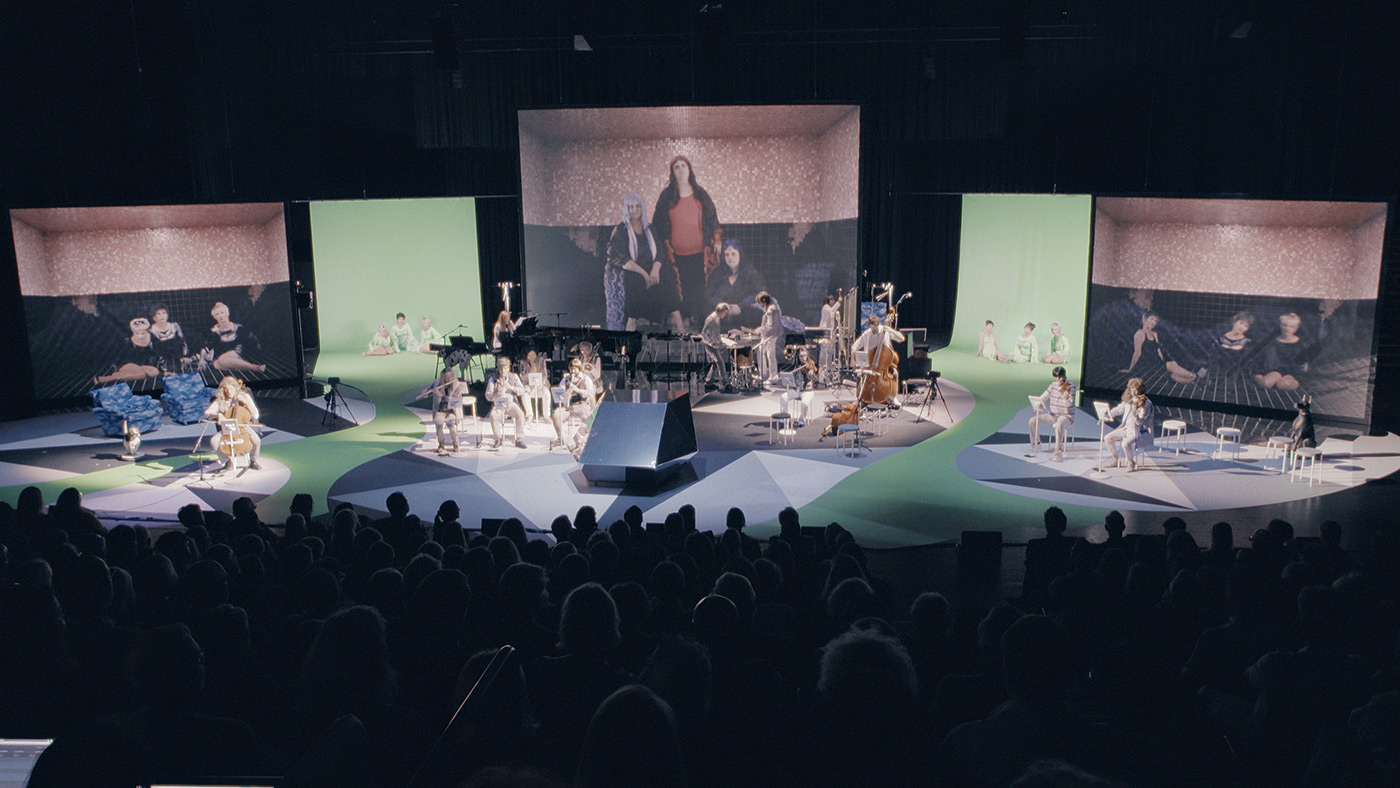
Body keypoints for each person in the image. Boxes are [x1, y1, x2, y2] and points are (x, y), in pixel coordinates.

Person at [651, 155, 721, 328]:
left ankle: (701, 325)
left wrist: (717, 240)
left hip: (701, 253)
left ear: (689, 169)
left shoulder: (700, 194)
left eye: (684, 165)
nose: (680, 169)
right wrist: (661, 247)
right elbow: (657, 224)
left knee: (699, 289)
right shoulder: (667, 196)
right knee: (680, 290)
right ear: (672, 172)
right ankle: (684, 322)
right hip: (675, 255)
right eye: (676, 167)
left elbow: (712, 218)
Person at [606, 192, 681, 332]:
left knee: (667, 278)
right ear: (626, 209)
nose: (634, 210)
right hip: (632, 270)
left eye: (638, 206)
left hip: (651, 269)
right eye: (631, 207)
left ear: (642, 208)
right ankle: (631, 324)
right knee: (635, 281)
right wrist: (645, 274)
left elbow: (660, 252)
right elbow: (623, 259)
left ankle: (679, 324)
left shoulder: (650, 228)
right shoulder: (620, 231)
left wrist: (655, 270)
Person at [705, 239, 765, 330]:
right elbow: (709, 294)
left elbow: (759, 294)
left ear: (740, 254)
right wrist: (720, 305)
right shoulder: (717, 274)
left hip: (747, 322)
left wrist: (741, 307)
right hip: (723, 322)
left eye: (733, 254)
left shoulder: (752, 274)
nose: (730, 257)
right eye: (727, 255)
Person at [1121, 311, 1196, 384]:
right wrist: (1130, 369)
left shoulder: (1154, 334)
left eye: (1155, 321)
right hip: (1149, 363)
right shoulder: (1140, 333)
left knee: (1174, 372)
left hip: (1158, 362)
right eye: (1151, 319)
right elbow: (1137, 352)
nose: (1153, 322)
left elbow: (1158, 350)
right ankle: (1193, 376)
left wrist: (1163, 362)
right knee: (1171, 365)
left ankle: (1192, 378)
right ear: (1145, 319)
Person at [204, 376, 262, 471]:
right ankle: (227, 459)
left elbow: (255, 414)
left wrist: (246, 403)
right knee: (214, 441)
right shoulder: (221, 400)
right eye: (226, 389)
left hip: (243, 427)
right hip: (227, 428)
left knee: (256, 440)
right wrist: (219, 414)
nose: (229, 392)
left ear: (235, 388)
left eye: (231, 389)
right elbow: (207, 412)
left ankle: (254, 460)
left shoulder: (244, 396)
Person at [1101, 377, 1153, 472]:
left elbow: (1140, 421)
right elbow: (1119, 409)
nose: (1133, 392)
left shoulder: (1146, 403)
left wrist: (1135, 413)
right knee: (1108, 438)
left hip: (1139, 430)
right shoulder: (1130, 400)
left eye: (1135, 390)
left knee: (1125, 443)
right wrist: (1107, 413)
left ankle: (1130, 463)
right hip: (1126, 428)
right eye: (1131, 390)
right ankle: (1115, 460)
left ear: (1140, 390)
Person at [93, 316, 161, 385]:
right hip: (126, 363)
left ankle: (134, 373)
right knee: (140, 373)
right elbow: (121, 358)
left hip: (142, 365)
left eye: (142, 333)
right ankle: (109, 378)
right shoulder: (127, 342)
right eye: (137, 333)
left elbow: (157, 354)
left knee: (154, 372)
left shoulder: (152, 339)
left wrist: (163, 370)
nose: (140, 336)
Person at [552, 358, 600, 456]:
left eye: (575, 368)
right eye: (571, 368)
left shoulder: (586, 379)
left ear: (579, 368)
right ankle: (560, 438)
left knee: (589, 419)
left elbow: (590, 393)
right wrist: (566, 393)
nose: (573, 371)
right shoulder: (566, 379)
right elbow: (560, 392)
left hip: (582, 405)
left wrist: (577, 390)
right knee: (556, 415)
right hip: (569, 406)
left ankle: (585, 441)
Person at [1028, 366, 1076, 461]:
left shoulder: (1070, 386)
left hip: (1066, 416)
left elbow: (1069, 404)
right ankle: (1036, 445)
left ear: (1063, 376)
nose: (1057, 379)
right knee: (1032, 421)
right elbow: (1044, 396)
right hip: (1053, 415)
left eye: (1059, 377)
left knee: (1058, 425)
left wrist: (1065, 397)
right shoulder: (1053, 385)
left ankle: (1058, 451)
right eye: (1056, 377)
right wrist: (1038, 403)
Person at [202, 302, 266, 373]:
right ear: (214, 317)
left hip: (237, 355)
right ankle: (242, 367)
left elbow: (251, 341)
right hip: (221, 359)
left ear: (227, 313)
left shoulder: (238, 328)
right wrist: (202, 358)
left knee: (221, 361)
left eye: (222, 313)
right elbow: (207, 347)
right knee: (217, 363)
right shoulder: (214, 332)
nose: (220, 316)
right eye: (217, 314)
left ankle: (255, 367)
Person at [1254, 312, 1309, 390]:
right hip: (1275, 371)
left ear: (1296, 328)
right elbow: (1263, 359)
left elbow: (1303, 362)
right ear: (1280, 325)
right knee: (1265, 383)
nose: (1287, 328)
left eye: (1291, 327)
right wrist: (1259, 374)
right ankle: (1272, 381)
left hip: (1292, 373)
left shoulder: (1301, 343)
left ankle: (1281, 383)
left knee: (1283, 385)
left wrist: (1299, 374)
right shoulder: (1273, 342)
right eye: (1285, 325)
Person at [485, 355, 528, 449]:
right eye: (500, 369)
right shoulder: (493, 379)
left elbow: (521, 390)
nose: (503, 371)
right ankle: (498, 438)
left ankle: (519, 439)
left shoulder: (514, 377)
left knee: (520, 414)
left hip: (510, 403)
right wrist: (496, 394)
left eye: (505, 368)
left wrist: (511, 387)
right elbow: (488, 395)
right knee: (493, 415)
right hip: (499, 403)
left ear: (508, 368)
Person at [1199, 311, 1253, 379]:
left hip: (1231, 377)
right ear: (1234, 322)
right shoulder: (1219, 336)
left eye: (1245, 326)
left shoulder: (1247, 343)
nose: (1241, 327)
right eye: (1241, 323)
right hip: (1210, 373)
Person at [430, 367, 470, 455]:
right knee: (439, 423)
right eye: (445, 377)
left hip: (452, 411)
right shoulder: (437, 383)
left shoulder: (457, 385)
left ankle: (456, 443)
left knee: (451, 424)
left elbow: (454, 400)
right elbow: (428, 392)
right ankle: (441, 444)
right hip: (440, 410)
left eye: (449, 377)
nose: (447, 379)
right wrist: (426, 392)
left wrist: (441, 395)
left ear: (453, 376)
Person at [148, 304, 189, 374]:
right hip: (161, 363)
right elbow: (152, 351)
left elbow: (183, 342)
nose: (162, 316)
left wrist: (184, 356)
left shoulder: (175, 326)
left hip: (178, 359)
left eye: (164, 313)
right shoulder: (151, 331)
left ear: (167, 315)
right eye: (158, 314)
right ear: (154, 317)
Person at [699, 303, 732, 390]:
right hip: (711, 345)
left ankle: (708, 382)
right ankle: (725, 383)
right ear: (721, 311)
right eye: (725, 313)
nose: (725, 315)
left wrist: (720, 341)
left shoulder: (717, 318)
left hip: (716, 344)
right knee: (720, 362)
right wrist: (711, 343)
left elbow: (715, 332)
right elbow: (703, 334)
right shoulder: (711, 319)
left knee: (715, 363)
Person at [755, 291, 784, 385]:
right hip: (767, 335)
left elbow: (771, 326)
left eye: (759, 302)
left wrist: (760, 330)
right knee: (761, 351)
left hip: (770, 335)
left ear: (763, 301)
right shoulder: (769, 307)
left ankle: (773, 376)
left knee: (770, 355)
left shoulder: (771, 310)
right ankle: (763, 374)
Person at [818, 292, 843, 386]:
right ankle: (821, 375)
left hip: (830, 333)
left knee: (830, 353)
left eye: (833, 299)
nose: (833, 301)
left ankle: (828, 373)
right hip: (825, 332)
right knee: (824, 353)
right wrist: (839, 302)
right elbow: (831, 311)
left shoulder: (830, 309)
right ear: (828, 301)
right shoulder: (826, 307)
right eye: (831, 299)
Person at [519, 349, 551, 422]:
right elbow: (522, 377)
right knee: (525, 395)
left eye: (533, 355)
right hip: (529, 385)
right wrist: (530, 372)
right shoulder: (523, 363)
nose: (531, 357)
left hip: (540, 385)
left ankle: (546, 416)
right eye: (529, 355)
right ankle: (529, 414)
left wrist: (541, 383)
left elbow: (545, 374)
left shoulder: (541, 361)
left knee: (546, 393)